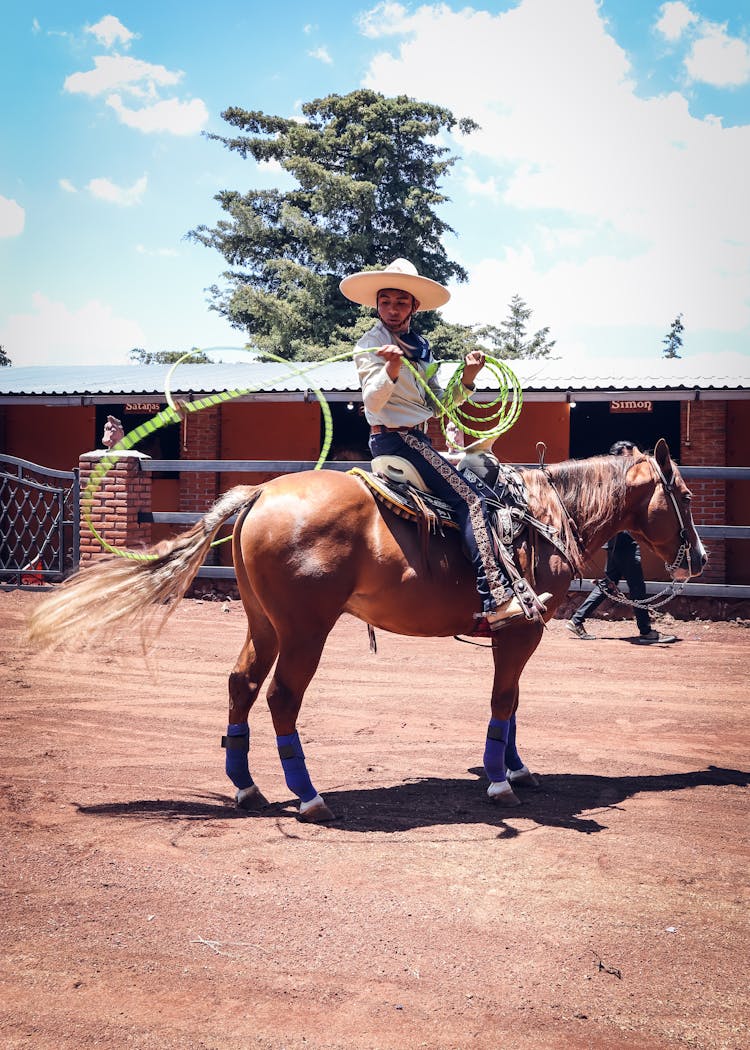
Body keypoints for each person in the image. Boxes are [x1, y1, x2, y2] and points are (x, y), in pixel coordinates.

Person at [340, 258, 550, 629]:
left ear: (414, 307)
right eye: (385, 301)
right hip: (398, 439)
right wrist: (389, 370)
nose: (392, 309)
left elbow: (439, 404)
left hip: (416, 439)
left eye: (400, 302)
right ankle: (496, 597)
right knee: (472, 499)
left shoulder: (421, 348)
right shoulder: (369, 344)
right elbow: (371, 402)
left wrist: (468, 377)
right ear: (376, 305)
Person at [565, 440, 677, 645]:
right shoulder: (619, 481)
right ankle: (646, 631)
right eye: (626, 457)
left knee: (608, 584)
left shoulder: (616, 481)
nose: (631, 462)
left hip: (617, 541)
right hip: (623, 540)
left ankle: (577, 619)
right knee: (637, 587)